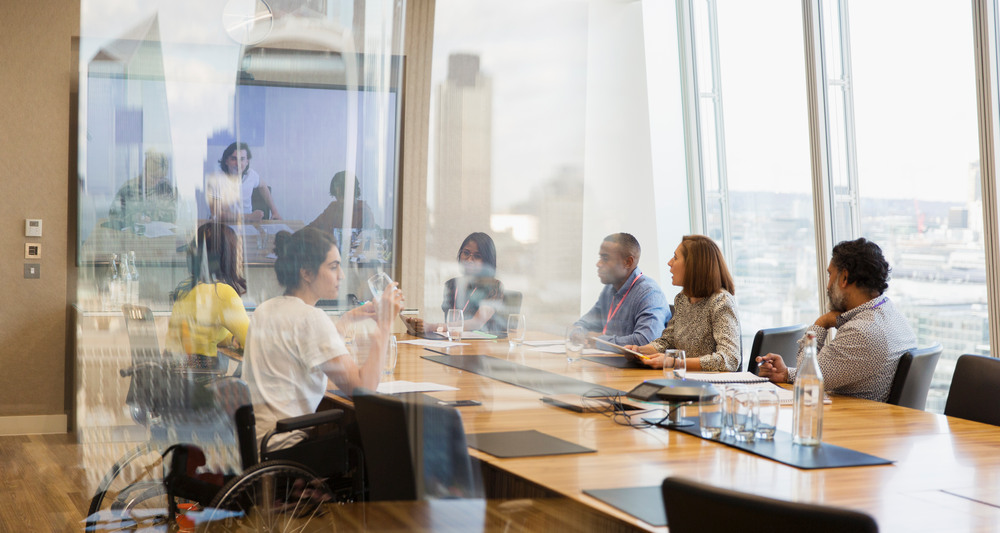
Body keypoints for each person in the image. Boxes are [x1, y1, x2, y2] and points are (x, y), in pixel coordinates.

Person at [244, 227, 404, 450]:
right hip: (288, 447)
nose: (342, 275)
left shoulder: (266, 309)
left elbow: (309, 351)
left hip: (259, 444)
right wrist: (385, 324)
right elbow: (364, 391)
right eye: (333, 266)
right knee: (387, 429)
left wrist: (347, 320)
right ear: (306, 273)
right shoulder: (310, 318)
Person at [756, 238, 917, 402]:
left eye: (830, 274)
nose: (827, 286)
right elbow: (831, 372)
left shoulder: (862, 332)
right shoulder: (891, 314)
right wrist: (785, 374)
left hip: (853, 421)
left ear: (844, 278)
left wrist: (821, 323)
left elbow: (807, 375)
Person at [626, 235, 741, 372]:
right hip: (685, 381)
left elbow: (729, 359)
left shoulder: (721, 301)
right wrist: (639, 350)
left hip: (712, 387)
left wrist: (675, 363)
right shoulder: (682, 299)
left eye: (675, 258)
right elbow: (667, 341)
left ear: (693, 265)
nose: (669, 262)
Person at [165, 223, 249, 371]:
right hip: (201, 382)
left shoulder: (185, 287)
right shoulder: (222, 293)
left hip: (175, 376)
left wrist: (231, 339)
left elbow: (204, 334)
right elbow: (253, 341)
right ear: (228, 257)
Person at [574, 233, 670, 347]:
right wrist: (578, 333)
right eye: (600, 258)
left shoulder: (649, 293)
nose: (598, 264)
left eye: (605, 258)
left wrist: (599, 341)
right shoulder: (609, 290)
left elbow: (646, 341)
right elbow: (583, 324)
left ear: (628, 262)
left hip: (633, 365)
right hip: (608, 362)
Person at [403, 232, 506, 336]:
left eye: (477, 256)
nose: (469, 260)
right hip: (453, 341)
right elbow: (450, 322)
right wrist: (420, 327)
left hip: (483, 345)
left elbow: (477, 323)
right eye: (466, 253)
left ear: (487, 260)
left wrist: (432, 327)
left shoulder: (494, 286)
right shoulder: (452, 284)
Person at [206, 142, 281, 223]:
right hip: (224, 224)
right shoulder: (215, 179)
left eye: (242, 159)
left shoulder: (251, 174)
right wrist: (249, 217)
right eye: (233, 159)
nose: (238, 164)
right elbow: (216, 215)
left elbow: (263, 186)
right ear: (226, 161)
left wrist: (275, 211)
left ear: (247, 162)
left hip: (247, 225)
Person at [107, 150, 177, 230]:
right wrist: (134, 217)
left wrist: (152, 216)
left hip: (160, 239)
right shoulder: (128, 188)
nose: (156, 181)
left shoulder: (165, 187)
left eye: (160, 177)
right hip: (133, 237)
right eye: (153, 177)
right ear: (144, 170)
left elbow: (173, 215)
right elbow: (113, 216)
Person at [308, 171, 377, 233]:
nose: (339, 199)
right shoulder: (333, 208)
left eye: (342, 194)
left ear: (352, 192)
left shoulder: (364, 212)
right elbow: (313, 228)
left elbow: (366, 241)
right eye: (336, 195)